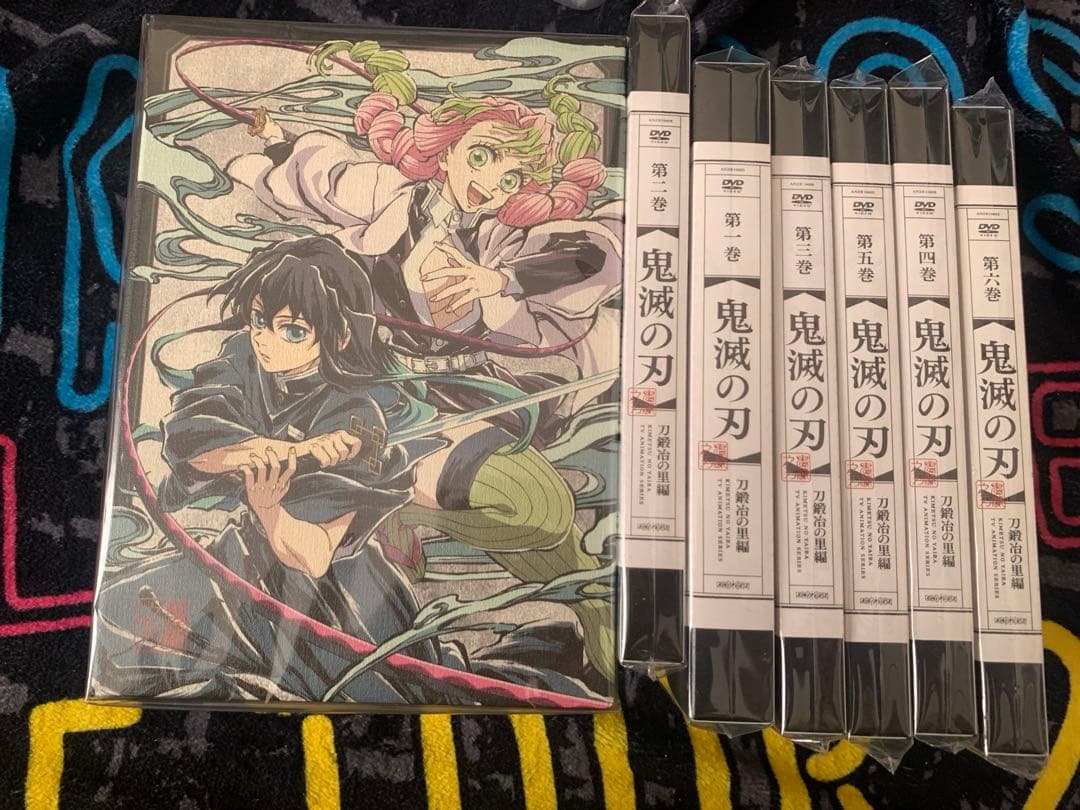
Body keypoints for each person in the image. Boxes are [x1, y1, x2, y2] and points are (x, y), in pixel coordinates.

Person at [225, 87, 619, 679]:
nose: (490, 182)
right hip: (379, 395)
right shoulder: (390, 194)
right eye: (482, 156)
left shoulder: (501, 240)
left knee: (557, 538)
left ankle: (597, 635)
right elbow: (319, 179)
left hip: (464, 392)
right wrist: (276, 141)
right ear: (448, 147)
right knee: (541, 508)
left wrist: (500, 282)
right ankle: (404, 510)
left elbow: (596, 257)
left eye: (512, 179)